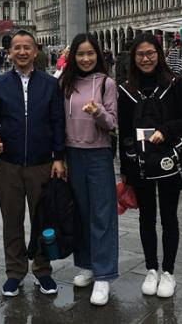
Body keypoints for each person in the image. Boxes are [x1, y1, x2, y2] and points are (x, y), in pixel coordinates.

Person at [0, 30, 65, 298]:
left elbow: (58, 122)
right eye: (16, 47)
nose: (21, 52)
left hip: (42, 163)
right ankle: (14, 272)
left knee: (43, 220)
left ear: (35, 51)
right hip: (9, 163)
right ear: (9, 52)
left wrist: (59, 157)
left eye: (26, 47)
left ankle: (42, 270)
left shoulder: (50, 84)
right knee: (12, 220)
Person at [118, 33, 182, 298]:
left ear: (159, 55)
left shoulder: (174, 84)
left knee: (169, 217)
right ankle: (151, 269)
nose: (146, 59)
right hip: (139, 164)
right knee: (146, 218)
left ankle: (168, 272)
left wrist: (166, 130)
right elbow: (124, 131)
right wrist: (125, 169)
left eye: (150, 53)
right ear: (133, 58)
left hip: (168, 161)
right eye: (140, 54)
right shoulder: (126, 90)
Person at [60, 33, 118, 306]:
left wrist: (97, 112)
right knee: (81, 212)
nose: (85, 59)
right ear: (73, 56)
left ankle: (104, 274)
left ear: (98, 55)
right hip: (72, 153)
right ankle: (86, 264)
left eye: (90, 53)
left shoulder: (106, 83)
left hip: (98, 155)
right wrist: (58, 156)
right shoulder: (65, 83)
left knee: (102, 214)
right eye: (80, 54)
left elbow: (112, 123)